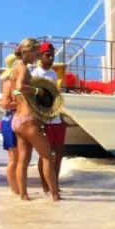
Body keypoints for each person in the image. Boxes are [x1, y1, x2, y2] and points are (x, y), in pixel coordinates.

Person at [10, 37, 60, 201]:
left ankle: (24, 195)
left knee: (22, 160)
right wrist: (39, 91)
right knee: (48, 157)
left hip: (17, 120)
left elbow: (14, 91)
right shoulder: (23, 68)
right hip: (28, 119)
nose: (36, 56)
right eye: (36, 53)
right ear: (28, 52)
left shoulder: (14, 68)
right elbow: (20, 87)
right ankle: (55, 195)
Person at [32, 42, 65, 195]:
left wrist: (62, 115)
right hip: (44, 118)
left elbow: (56, 96)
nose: (51, 58)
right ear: (40, 56)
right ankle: (45, 185)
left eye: (52, 55)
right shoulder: (35, 74)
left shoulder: (53, 74)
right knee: (46, 155)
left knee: (59, 154)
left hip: (56, 117)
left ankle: (55, 183)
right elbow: (32, 99)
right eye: (48, 55)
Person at [0, 52, 20, 195]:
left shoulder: (17, 81)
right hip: (10, 122)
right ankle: (15, 191)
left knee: (19, 158)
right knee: (14, 158)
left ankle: (18, 189)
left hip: (17, 121)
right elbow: (5, 104)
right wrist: (22, 104)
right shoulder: (8, 83)